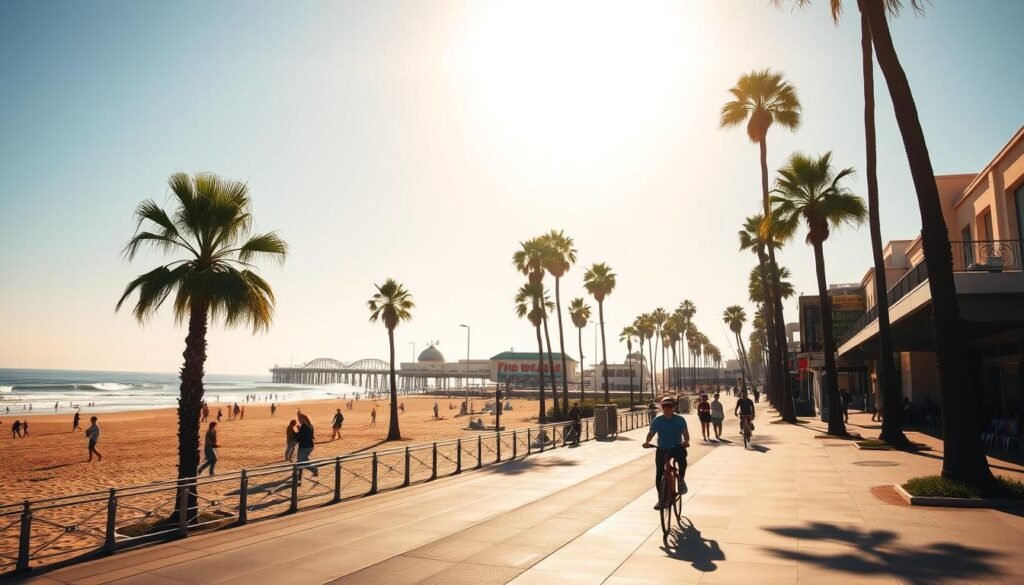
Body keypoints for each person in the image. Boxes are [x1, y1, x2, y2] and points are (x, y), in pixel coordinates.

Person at [643, 397, 689, 510]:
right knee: (659, 473)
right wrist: (647, 442)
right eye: (664, 407)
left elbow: (685, 433)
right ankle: (661, 499)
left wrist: (686, 441)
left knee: (682, 460)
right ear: (662, 408)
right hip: (662, 448)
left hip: (676, 447)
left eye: (670, 407)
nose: (667, 409)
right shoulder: (657, 420)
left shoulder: (680, 420)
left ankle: (681, 479)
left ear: (673, 408)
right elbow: (651, 432)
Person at [296, 414, 318, 479]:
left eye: (299, 419)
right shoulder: (310, 425)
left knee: (301, 461)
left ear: (303, 419)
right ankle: (298, 474)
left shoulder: (304, 426)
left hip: (305, 446)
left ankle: (314, 469)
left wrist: (296, 432)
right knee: (303, 460)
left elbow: (301, 437)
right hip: (309, 446)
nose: (298, 420)